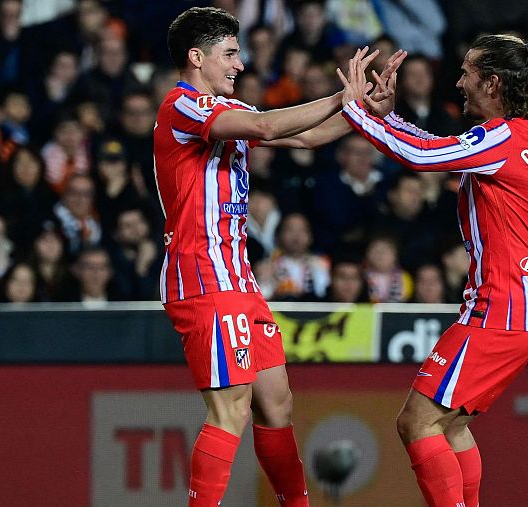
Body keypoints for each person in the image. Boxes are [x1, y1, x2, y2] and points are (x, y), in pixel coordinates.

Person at [153, 7, 404, 507]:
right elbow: (267, 128)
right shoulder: (183, 107)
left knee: (277, 404)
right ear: (195, 57)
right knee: (231, 410)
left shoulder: (224, 110)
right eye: (230, 53)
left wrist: (365, 114)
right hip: (203, 276)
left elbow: (305, 135)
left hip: (238, 279)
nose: (240, 64)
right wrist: (340, 96)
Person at [340, 33, 528, 507]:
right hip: (521, 308)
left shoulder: (503, 137)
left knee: (416, 422)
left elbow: (421, 156)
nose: (458, 82)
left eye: (467, 73)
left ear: (493, 82)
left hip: (499, 308)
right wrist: (387, 118)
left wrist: (353, 109)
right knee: (450, 425)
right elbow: (439, 145)